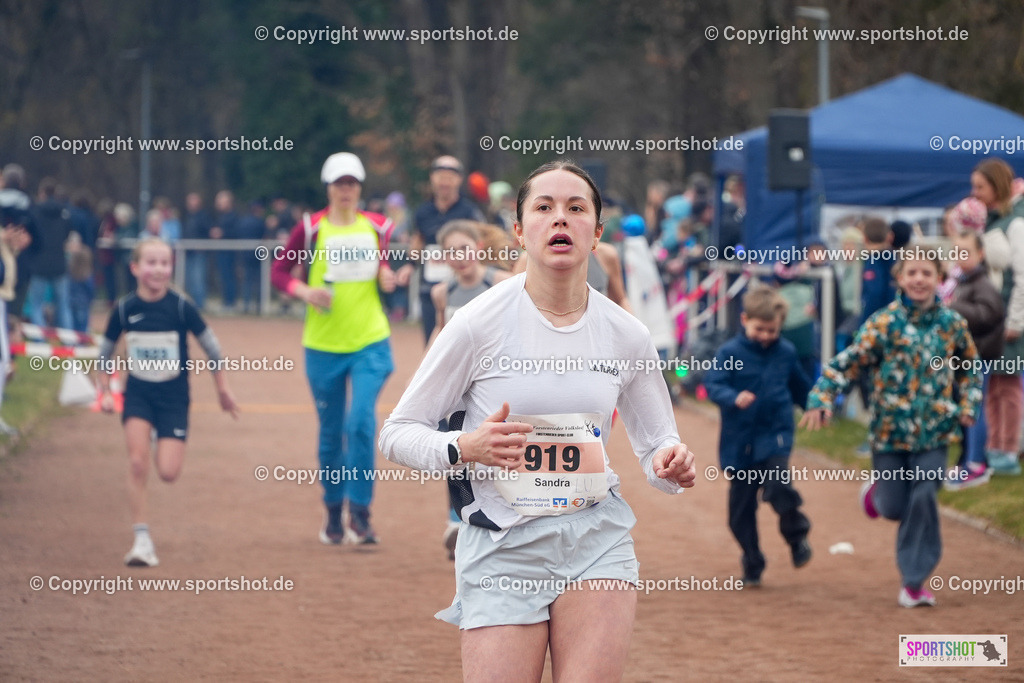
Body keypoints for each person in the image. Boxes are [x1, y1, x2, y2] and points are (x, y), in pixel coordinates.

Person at [379, 160, 696, 681]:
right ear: (520, 231)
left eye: (576, 208)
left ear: (597, 233)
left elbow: (658, 444)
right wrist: (464, 447)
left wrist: (669, 462)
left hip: (596, 538)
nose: (560, 219)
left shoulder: (626, 334)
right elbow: (396, 432)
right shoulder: (475, 324)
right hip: (502, 546)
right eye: (544, 208)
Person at [800, 249, 982, 608]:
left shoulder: (952, 323)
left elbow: (970, 367)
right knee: (895, 508)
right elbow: (849, 362)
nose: (919, 279)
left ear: (939, 279)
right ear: (899, 278)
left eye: (926, 273)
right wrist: (822, 397)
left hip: (935, 431)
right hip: (889, 433)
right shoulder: (883, 323)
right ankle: (877, 495)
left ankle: (913, 582)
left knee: (924, 496)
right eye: (911, 272)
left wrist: (968, 405)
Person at [271, 152, 396, 545]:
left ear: (359, 187)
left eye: (352, 183)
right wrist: (304, 291)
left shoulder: (378, 227)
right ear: (328, 188)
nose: (346, 190)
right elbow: (279, 271)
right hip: (323, 346)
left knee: (360, 423)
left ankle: (360, 513)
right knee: (330, 433)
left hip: (370, 342)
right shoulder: (310, 228)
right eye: (339, 183)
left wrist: (388, 276)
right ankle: (332, 511)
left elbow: (385, 269)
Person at [97, 237, 239, 567]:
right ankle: (141, 540)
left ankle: (158, 436)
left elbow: (213, 349)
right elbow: (104, 354)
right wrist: (104, 391)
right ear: (135, 268)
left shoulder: (181, 307)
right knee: (137, 463)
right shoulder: (124, 309)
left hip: (174, 398)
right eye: (151, 263)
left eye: (165, 263)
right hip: (139, 395)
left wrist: (223, 390)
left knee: (168, 472)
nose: (159, 269)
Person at [704, 286, 813, 586]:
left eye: (772, 330)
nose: (765, 335)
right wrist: (733, 397)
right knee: (738, 515)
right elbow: (713, 384)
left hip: (775, 434)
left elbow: (801, 387)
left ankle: (797, 537)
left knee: (778, 485)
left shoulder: (786, 352)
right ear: (744, 320)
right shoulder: (729, 353)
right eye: (759, 329)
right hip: (740, 441)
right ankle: (752, 561)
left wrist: (816, 406)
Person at [429, 219, 513, 558]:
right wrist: (423, 373)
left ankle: (508, 518)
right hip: (456, 388)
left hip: (495, 383)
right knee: (456, 451)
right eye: (450, 252)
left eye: (463, 248)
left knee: (500, 450)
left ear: (478, 248)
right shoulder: (442, 293)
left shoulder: (502, 283)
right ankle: (457, 521)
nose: (458, 257)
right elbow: (440, 334)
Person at [397, 156, 484, 346]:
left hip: (463, 288)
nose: (445, 182)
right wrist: (410, 266)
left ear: (459, 179)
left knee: (467, 343)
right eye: (440, 176)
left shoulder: (470, 212)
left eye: (450, 177)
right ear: (432, 178)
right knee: (434, 344)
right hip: (430, 289)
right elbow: (418, 242)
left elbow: (483, 244)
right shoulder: (422, 212)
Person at [973, 158, 1024, 475]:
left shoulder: (1015, 224)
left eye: (980, 186)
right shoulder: (994, 221)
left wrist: (1016, 321)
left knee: (1008, 385)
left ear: (997, 186)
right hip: (993, 320)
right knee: (992, 385)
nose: (975, 193)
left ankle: (1008, 449)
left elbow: (1022, 276)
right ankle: (994, 447)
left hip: (1009, 321)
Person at [944, 229, 1004, 490]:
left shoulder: (983, 285)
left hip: (979, 357)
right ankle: (968, 461)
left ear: (981, 254)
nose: (961, 256)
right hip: (965, 357)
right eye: (957, 251)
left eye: (966, 252)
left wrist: (954, 306)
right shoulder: (963, 282)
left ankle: (977, 464)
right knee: (966, 409)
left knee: (975, 411)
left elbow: (989, 315)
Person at [27, 177, 74, 329]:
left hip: (39, 263)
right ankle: (68, 336)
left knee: (36, 304)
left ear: (42, 193)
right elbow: (67, 235)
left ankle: (40, 337)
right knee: (63, 305)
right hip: (59, 263)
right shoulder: (64, 213)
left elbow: (31, 235)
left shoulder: (35, 212)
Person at [182, 192, 214, 310]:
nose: (191, 203)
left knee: (198, 279)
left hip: (199, 254)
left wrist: (203, 243)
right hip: (188, 252)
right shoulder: (187, 217)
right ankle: (192, 305)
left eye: (193, 200)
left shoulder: (204, 216)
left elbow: (211, 232)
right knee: (190, 280)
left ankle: (200, 305)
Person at [211, 190, 239, 312]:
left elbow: (236, 232)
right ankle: (226, 301)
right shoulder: (220, 217)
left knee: (229, 277)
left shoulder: (234, 216)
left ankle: (230, 303)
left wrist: (222, 233)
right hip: (221, 252)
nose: (219, 204)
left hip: (230, 252)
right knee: (223, 277)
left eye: (221, 201)